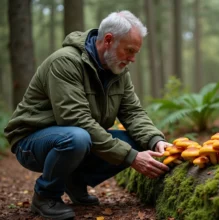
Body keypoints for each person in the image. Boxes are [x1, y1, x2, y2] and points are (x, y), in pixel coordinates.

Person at [4, 10, 170, 220]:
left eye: (135, 52)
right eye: (129, 50)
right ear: (108, 40)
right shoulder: (65, 62)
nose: (133, 59)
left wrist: (155, 140)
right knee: (77, 138)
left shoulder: (118, 71)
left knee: (138, 141)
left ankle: (75, 181)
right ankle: (45, 196)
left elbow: (134, 113)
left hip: (76, 137)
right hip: (32, 141)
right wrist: (131, 158)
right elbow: (75, 119)